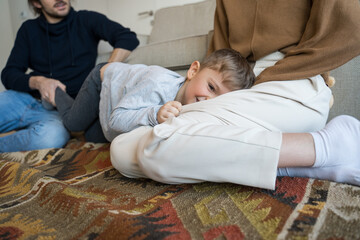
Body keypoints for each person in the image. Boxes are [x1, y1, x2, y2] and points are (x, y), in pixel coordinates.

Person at [109, 0, 360, 190]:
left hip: (290, 79)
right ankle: (305, 160)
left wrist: (307, 71)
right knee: (122, 149)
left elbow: (350, 19)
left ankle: (327, 146)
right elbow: (220, 55)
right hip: (241, 89)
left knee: (155, 143)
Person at [0, 0, 139, 152]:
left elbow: (127, 37)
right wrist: (39, 82)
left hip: (58, 112)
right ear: (37, 3)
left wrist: (105, 70)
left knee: (51, 137)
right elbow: (9, 74)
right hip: (23, 99)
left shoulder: (87, 19)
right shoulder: (28, 29)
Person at [53, 48, 255, 142]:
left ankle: (90, 117)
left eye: (219, 99)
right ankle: (56, 93)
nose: (208, 100)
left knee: (93, 137)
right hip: (103, 80)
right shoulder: (158, 84)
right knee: (73, 124)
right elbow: (116, 119)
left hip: (116, 102)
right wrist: (155, 114)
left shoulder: (195, 109)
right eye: (211, 87)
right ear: (193, 71)